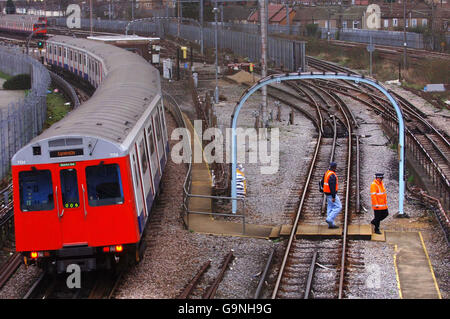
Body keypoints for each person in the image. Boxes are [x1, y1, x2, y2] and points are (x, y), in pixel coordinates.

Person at [323, 162, 342, 229]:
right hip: (331, 194)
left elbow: (322, 182)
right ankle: (329, 219)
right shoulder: (332, 175)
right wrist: (334, 196)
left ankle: (330, 224)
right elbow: (332, 187)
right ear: (334, 167)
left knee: (330, 207)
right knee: (338, 207)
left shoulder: (327, 173)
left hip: (327, 193)